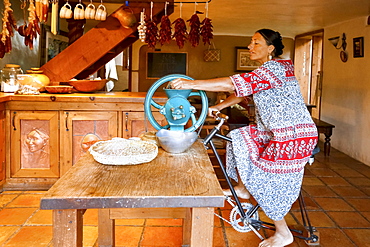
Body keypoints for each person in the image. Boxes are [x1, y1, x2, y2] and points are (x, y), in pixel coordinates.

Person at [171, 29, 318, 247]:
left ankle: (283, 232)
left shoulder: (275, 68)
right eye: (251, 42)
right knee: (239, 136)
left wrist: (190, 83)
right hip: (276, 132)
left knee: (267, 179)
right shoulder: (267, 71)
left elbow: (232, 84)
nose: (250, 46)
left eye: (256, 43)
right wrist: (219, 106)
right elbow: (242, 92)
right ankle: (243, 188)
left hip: (293, 137)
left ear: (271, 48)